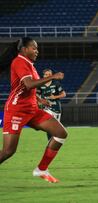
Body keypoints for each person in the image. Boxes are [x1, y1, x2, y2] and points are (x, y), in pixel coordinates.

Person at [0, 37, 67, 183]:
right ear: (24, 49)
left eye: (37, 48)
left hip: (32, 110)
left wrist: (39, 100)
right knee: (8, 151)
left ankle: (41, 169)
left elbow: (27, 88)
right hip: (16, 110)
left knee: (60, 133)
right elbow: (29, 84)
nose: (37, 51)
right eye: (34, 48)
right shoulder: (19, 62)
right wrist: (54, 76)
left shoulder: (29, 64)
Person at [37, 68, 66, 140]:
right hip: (46, 108)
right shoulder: (40, 84)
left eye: (49, 75)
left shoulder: (56, 83)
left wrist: (55, 97)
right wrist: (40, 102)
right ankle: (50, 141)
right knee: (48, 125)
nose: (47, 76)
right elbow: (36, 95)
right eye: (46, 74)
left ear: (52, 75)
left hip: (56, 108)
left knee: (56, 127)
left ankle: (55, 141)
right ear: (43, 76)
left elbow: (64, 94)